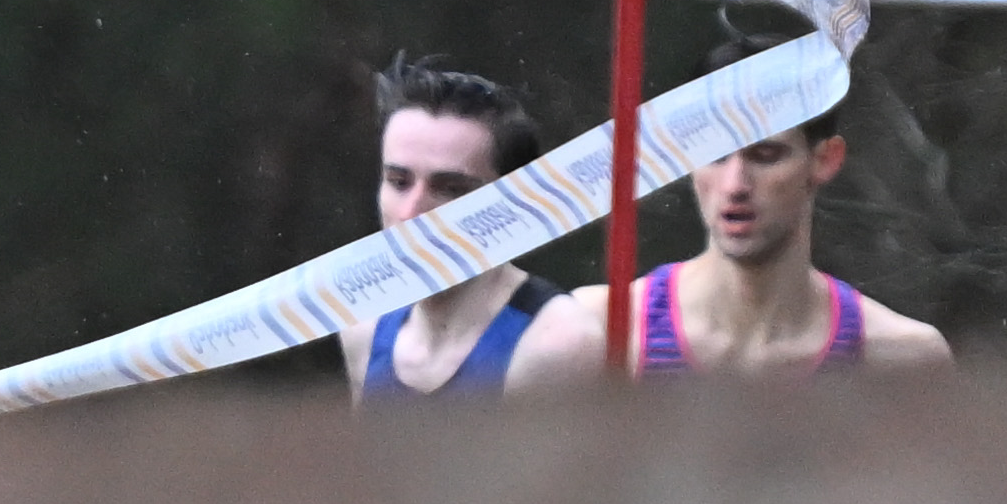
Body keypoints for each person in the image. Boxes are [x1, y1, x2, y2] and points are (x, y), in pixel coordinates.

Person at [504, 65, 951, 387]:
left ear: (824, 160)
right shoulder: (599, 333)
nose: (735, 184)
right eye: (713, 154)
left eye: (766, 155)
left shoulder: (900, 358)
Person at [343, 56, 566, 405]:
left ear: (512, 204)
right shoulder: (363, 326)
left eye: (451, 189)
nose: (411, 212)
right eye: (398, 182)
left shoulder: (554, 342)